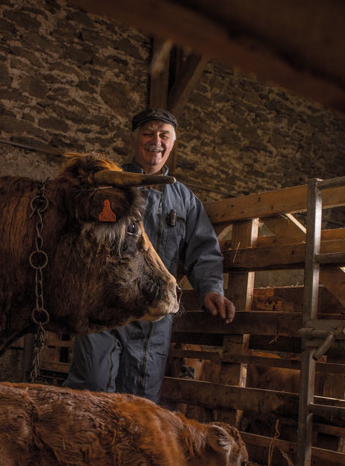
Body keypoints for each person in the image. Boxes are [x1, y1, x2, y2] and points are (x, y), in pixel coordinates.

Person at [63, 108, 235, 403]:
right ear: (134, 140)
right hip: (104, 304)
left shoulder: (186, 201)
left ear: (172, 142)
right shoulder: (110, 185)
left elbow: (203, 249)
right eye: (148, 133)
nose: (156, 140)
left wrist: (211, 289)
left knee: (141, 398)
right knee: (90, 386)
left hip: (153, 312)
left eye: (164, 135)